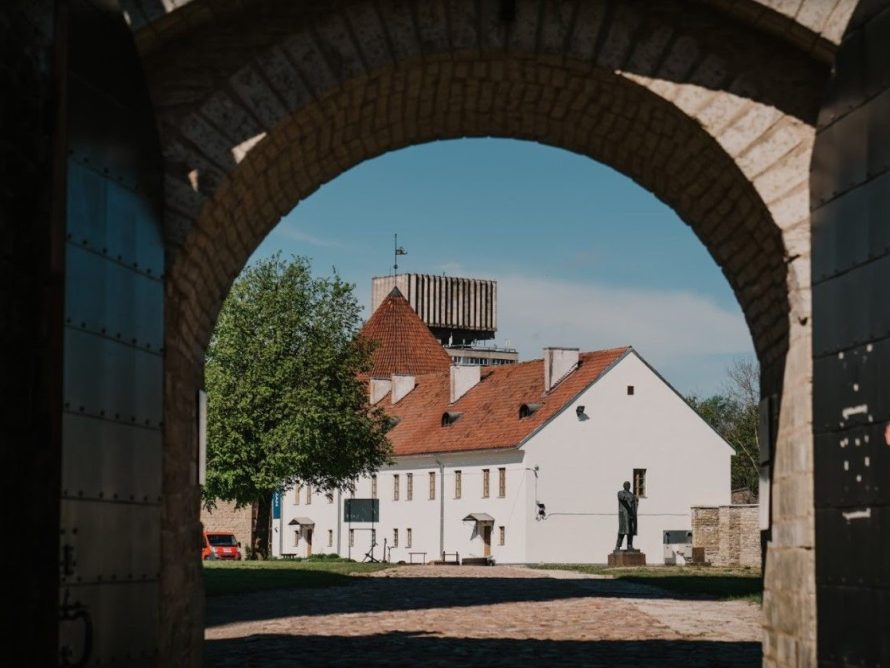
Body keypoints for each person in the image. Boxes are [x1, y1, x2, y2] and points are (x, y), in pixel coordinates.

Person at [615, 481, 638, 551]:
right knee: (622, 531)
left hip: (632, 514)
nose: (628, 486)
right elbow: (623, 498)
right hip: (624, 515)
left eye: (629, 485)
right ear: (624, 486)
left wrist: (636, 500)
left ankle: (629, 545)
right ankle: (618, 546)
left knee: (630, 531)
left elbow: (636, 502)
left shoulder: (632, 494)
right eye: (626, 485)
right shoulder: (620, 493)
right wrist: (630, 498)